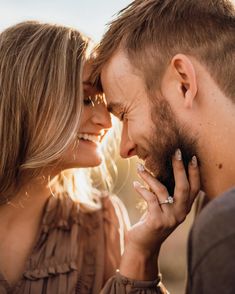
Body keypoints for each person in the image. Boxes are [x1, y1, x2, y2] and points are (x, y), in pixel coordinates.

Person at [0, 21, 200, 294]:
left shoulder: (102, 223)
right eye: (85, 99)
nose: (106, 121)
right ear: (25, 101)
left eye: (105, 105)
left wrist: (141, 252)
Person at [91, 0, 235, 293]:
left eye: (124, 115)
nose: (124, 148)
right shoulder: (213, 210)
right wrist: (142, 254)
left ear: (183, 82)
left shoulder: (225, 229)